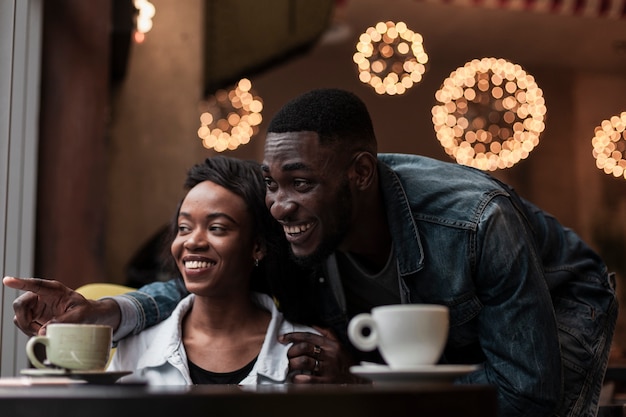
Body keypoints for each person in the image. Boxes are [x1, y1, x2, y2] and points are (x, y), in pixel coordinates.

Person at [4, 89, 617, 415]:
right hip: (446, 329)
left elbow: (526, 390)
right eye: (272, 184)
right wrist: (108, 314)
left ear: (357, 173)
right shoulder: (304, 229)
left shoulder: (475, 220)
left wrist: (360, 387)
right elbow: (214, 279)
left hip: (564, 302)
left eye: (301, 183)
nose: (280, 205)